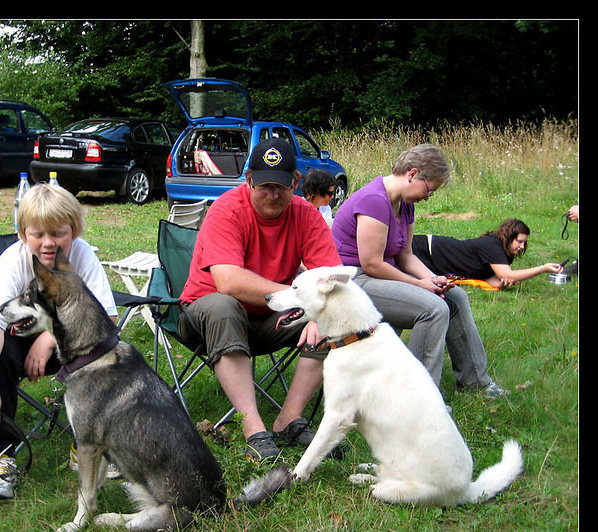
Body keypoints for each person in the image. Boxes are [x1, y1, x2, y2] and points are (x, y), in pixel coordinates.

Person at [178, 138, 342, 461]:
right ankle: (254, 431)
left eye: (281, 186)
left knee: (333, 316)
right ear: (249, 179)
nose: (273, 195)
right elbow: (229, 282)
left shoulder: (306, 216)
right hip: (205, 319)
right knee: (224, 306)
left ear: (295, 181)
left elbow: (332, 279)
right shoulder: (227, 209)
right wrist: (301, 299)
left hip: (269, 319)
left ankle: (288, 419)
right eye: (264, 186)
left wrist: (320, 313)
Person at [0, 183, 118, 500]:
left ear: (73, 231)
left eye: (58, 233)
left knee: (103, 349)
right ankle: (0, 457)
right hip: (9, 339)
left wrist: (49, 338)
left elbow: (107, 318)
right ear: (24, 234)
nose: (48, 243)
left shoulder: (82, 255)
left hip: (57, 342)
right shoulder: (13, 262)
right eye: (38, 234)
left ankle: (87, 444)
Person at [331, 143, 508, 398]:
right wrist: (418, 284)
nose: (427, 197)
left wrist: (433, 279)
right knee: (434, 309)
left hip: (378, 275)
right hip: (352, 280)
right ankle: (419, 397)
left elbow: (406, 255)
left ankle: (476, 382)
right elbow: (371, 263)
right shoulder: (374, 201)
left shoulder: (405, 205)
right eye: (429, 190)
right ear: (412, 174)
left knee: (456, 296)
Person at [412, 218, 564, 289]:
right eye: (519, 241)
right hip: (425, 248)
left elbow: (493, 280)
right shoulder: (493, 245)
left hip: (433, 262)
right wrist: (542, 268)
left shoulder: (504, 255)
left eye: (524, 242)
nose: (522, 246)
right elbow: (508, 275)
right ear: (509, 237)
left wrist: (504, 282)